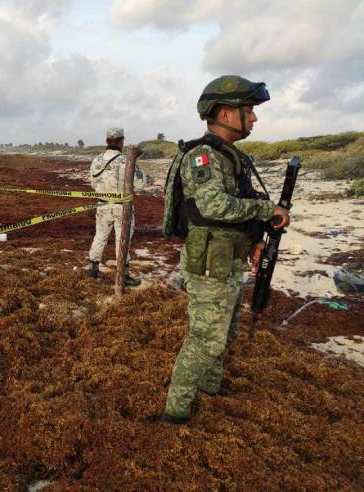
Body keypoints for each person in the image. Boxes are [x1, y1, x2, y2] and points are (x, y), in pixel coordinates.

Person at [162, 76, 290, 424]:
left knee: (226, 334)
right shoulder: (203, 157)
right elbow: (214, 206)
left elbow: (241, 204)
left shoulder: (232, 156)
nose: (254, 117)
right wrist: (267, 211)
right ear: (224, 113)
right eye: (247, 110)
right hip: (209, 265)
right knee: (205, 339)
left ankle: (209, 389)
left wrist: (257, 239)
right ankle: (174, 414)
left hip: (229, 260)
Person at [87, 127, 141, 286]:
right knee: (122, 240)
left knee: (100, 237)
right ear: (121, 141)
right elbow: (140, 183)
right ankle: (123, 275)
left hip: (102, 205)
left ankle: (93, 269)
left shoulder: (96, 160)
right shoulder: (126, 160)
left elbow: (92, 183)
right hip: (122, 207)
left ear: (107, 141)